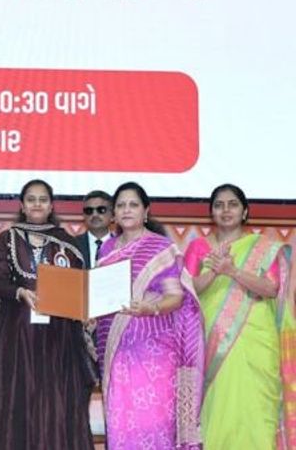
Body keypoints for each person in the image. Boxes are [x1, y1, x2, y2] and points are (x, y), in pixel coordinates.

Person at [183, 183, 295, 449]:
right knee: (218, 408)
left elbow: (271, 289)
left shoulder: (263, 247)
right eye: (219, 205)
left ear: (245, 211)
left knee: (255, 409)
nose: (226, 210)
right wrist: (215, 270)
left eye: (233, 204)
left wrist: (233, 271)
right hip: (210, 340)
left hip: (256, 341)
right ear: (211, 212)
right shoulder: (198, 247)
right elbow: (189, 290)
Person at [0, 179, 95, 449]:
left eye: (43, 199)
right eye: (31, 199)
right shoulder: (8, 238)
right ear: (22, 206)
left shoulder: (67, 242)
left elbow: (79, 286)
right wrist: (21, 292)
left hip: (59, 340)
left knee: (56, 400)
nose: (37, 204)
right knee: (21, 399)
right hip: (19, 340)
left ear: (51, 206)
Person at [96, 181, 204, 449]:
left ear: (146, 211)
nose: (126, 210)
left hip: (153, 352)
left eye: (133, 205)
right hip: (115, 351)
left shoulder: (160, 248)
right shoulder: (106, 249)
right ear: (114, 213)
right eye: (121, 205)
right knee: (120, 424)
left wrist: (150, 308)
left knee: (153, 422)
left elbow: (175, 296)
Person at [76, 190, 114, 269]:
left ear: (112, 216)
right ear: (83, 216)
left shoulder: (122, 245)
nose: (95, 215)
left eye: (101, 210)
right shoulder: (73, 244)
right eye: (89, 211)